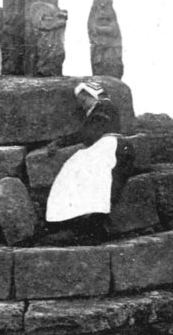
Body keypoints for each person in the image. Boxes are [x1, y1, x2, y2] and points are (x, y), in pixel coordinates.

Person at [41, 83, 135, 245]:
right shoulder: (104, 108)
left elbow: (90, 132)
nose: (83, 107)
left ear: (92, 95)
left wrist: (61, 142)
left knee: (80, 173)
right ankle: (82, 226)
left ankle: (81, 227)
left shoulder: (104, 106)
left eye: (84, 102)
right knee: (80, 174)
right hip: (111, 147)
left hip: (111, 147)